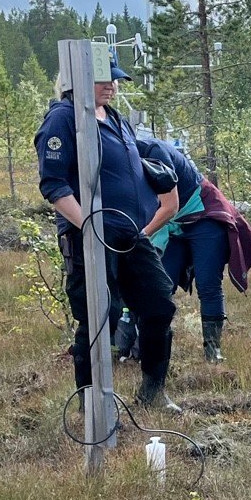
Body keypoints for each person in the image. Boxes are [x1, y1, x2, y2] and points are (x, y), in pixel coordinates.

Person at [35, 52, 182, 413]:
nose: (112, 86)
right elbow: (53, 184)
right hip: (90, 236)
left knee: (159, 305)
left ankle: (152, 390)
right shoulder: (63, 118)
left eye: (114, 79)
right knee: (100, 315)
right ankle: (91, 406)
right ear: (78, 81)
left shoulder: (115, 118)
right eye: (103, 80)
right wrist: (87, 224)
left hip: (132, 235)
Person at [137, 129, 251, 362]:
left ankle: (212, 350)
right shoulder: (122, 163)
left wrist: (140, 237)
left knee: (208, 283)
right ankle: (149, 348)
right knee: (159, 284)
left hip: (203, 215)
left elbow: (170, 206)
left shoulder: (154, 152)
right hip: (173, 224)